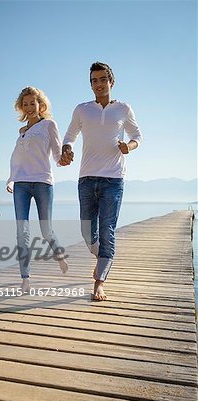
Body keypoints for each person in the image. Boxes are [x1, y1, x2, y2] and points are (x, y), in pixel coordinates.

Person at [60, 62, 142, 300]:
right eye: (94, 80)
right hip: (86, 178)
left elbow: (138, 135)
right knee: (88, 233)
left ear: (111, 82)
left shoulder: (123, 109)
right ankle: (103, 257)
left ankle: (99, 282)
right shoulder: (82, 109)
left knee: (107, 231)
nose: (98, 84)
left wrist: (129, 146)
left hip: (113, 179)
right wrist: (67, 149)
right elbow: (70, 135)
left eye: (102, 79)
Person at [7, 86, 68, 293]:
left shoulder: (49, 125)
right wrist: (11, 179)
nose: (29, 107)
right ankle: (25, 278)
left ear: (40, 105)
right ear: (21, 107)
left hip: (43, 182)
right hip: (21, 184)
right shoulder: (22, 131)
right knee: (21, 231)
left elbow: (58, 156)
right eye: (25, 104)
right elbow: (17, 159)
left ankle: (58, 255)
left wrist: (66, 158)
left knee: (46, 230)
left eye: (32, 103)